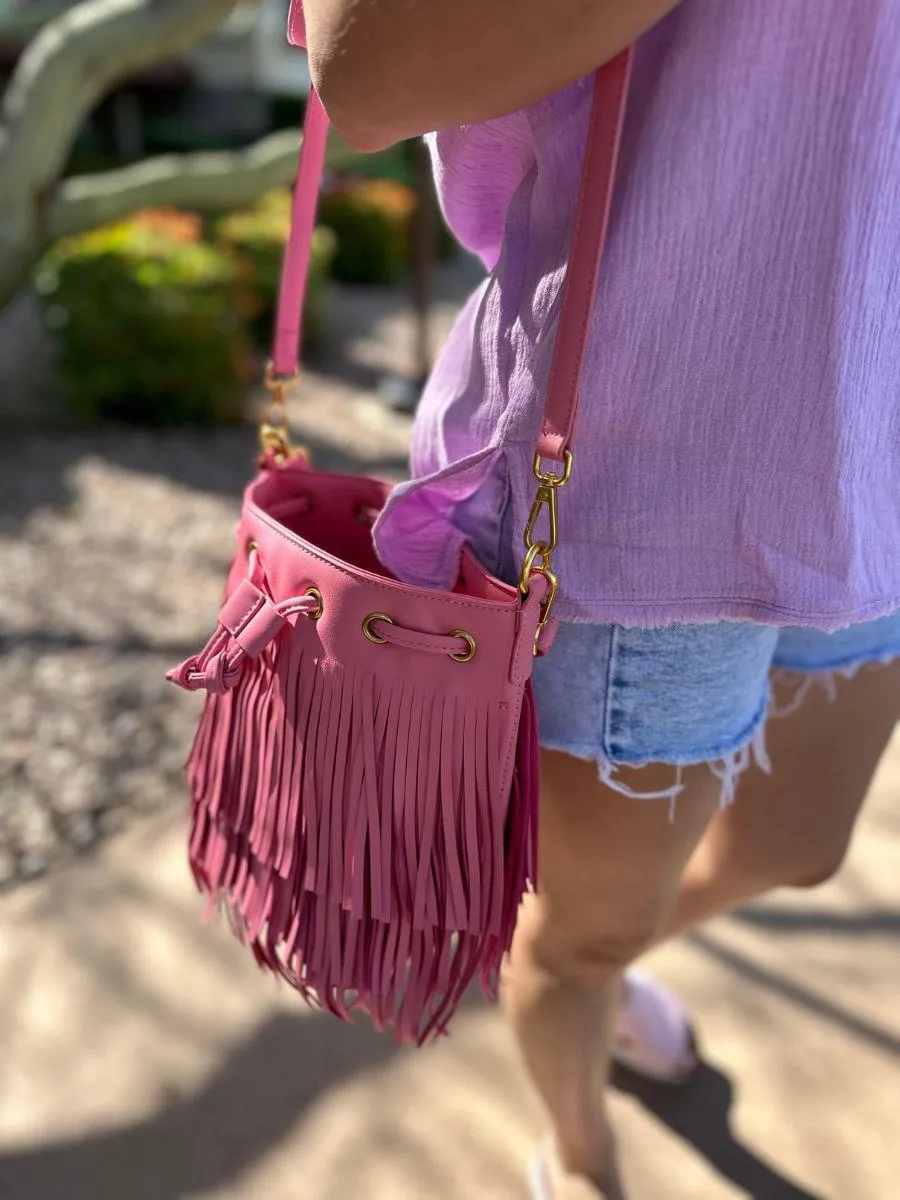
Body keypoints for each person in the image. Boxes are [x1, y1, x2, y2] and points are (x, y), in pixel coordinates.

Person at [301, 2, 900, 1196]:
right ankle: (580, 1149)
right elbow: (368, 71)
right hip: (651, 474)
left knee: (796, 851)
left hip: (874, 446)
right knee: (584, 937)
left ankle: (596, 973)